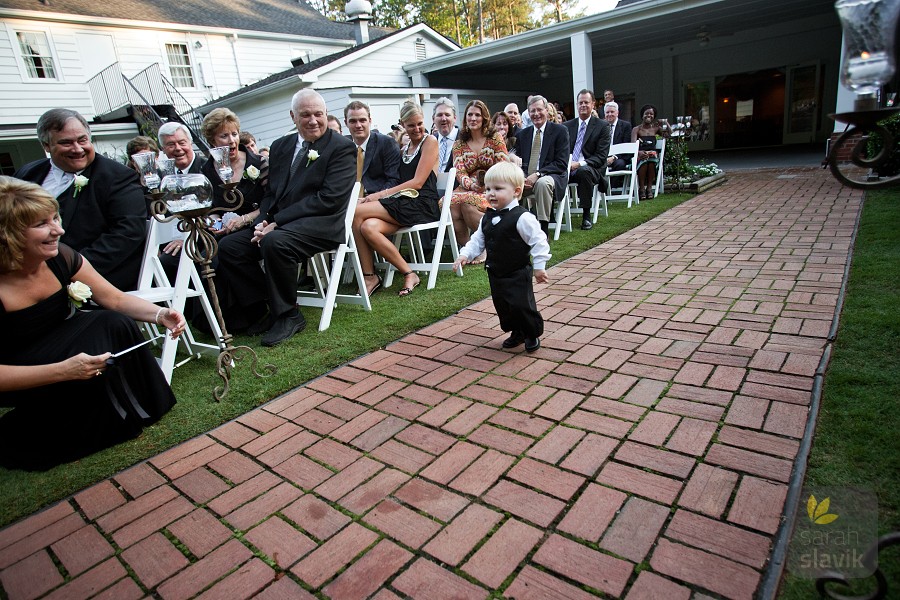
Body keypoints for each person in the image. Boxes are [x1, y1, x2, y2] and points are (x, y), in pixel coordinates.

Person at [0, 177, 186, 469]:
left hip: (62, 344)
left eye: (55, 218)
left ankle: (139, 408)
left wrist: (160, 314)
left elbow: (114, 299)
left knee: (110, 321)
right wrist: (63, 371)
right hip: (20, 370)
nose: (58, 230)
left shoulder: (61, 257)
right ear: (7, 234)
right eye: (41, 225)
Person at [215, 89, 356, 347]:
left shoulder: (341, 148)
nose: (313, 120)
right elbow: (272, 193)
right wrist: (264, 221)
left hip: (321, 222)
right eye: (305, 115)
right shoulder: (281, 146)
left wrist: (277, 222)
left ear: (326, 115)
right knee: (230, 247)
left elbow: (328, 199)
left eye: (318, 114)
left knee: (274, 242)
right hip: (280, 222)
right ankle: (265, 307)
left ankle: (289, 315)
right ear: (293, 116)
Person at [14, 108, 148, 291]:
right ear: (46, 145)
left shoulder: (117, 177)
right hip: (26, 272)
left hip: (95, 275)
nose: (77, 149)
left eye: (82, 140)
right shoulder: (28, 174)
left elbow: (127, 232)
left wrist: (70, 267)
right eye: (66, 143)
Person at [453, 162, 549, 354]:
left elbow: (539, 242)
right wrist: (465, 254)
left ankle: (531, 333)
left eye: (498, 189)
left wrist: (539, 266)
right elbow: (478, 240)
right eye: (488, 189)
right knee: (503, 305)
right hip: (495, 271)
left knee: (521, 304)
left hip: (517, 272)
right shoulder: (487, 218)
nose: (491, 193)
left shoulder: (523, 218)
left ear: (516, 191)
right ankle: (516, 331)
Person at [353, 101, 441, 298]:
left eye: (419, 123)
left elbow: (418, 183)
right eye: (411, 125)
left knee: (356, 211)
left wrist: (379, 195)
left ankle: (369, 276)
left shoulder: (430, 142)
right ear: (403, 124)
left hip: (422, 204)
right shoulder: (404, 148)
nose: (417, 129)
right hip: (404, 204)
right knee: (368, 227)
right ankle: (407, 273)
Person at [449, 100, 509, 258]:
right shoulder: (459, 144)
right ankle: (469, 248)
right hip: (468, 187)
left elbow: (502, 165)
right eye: (470, 114)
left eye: (477, 115)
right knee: (451, 205)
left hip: (493, 186)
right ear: (465, 118)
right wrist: (471, 185)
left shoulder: (495, 138)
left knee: (467, 205)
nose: (473, 118)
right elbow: (459, 171)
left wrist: (486, 184)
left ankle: (489, 245)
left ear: (484, 118)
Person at [514, 95, 569, 237]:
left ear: (546, 110)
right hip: (526, 178)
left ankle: (543, 229)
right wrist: (522, 177)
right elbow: (518, 160)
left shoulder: (560, 131)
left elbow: (561, 163)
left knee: (542, 184)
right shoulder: (523, 135)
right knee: (510, 185)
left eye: (539, 110)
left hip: (551, 176)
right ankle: (514, 227)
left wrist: (538, 174)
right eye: (532, 111)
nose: (536, 114)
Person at [564, 89, 610, 230]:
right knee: (552, 173)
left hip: (591, 168)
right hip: (568, 167)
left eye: (586, 102)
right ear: (577, 105)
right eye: (580, 102)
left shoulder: (602, 126)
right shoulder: (566, 126)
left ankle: (586, 215)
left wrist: (579, 164)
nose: (583, 105)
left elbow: (601, 157)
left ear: (593, 104)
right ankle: (552, 216)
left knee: (583, 171)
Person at [344, 100, 401, 197]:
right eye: (353, 121)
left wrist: (374, 198)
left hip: (379, 199)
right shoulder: (343, 146)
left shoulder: (386, 143)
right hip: (348, 201)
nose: (358, 125)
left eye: (362, 120)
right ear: (346, 123)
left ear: (370, 120)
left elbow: (394, 180)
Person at [631, 103, 670, 200]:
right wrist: (639, 152)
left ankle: (649, 188)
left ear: (654, 116)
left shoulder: (656, 128)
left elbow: (669, 135)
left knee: (652, 160)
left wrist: (665, 124)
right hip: (640, 155)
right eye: (646, 113)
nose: (649, 116)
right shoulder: (636, 129)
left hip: (652, 156)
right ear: (642, 115)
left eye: (651, 114)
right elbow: (632, 145)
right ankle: (641, 189)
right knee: (644, 161)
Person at [604, 101, 633, 172]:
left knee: (619, 164)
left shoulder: (625, 126)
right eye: (607, 112)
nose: (609, 114)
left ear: (617, 113)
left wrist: (614, 157)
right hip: (604, 157)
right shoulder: (601, 127)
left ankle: (614, 184)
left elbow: (626, 146)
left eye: (612, 112)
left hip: (619, 157)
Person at [433, 97, 459, 172]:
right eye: (440, 115)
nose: (443, 119)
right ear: (433, 119)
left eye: (447, 115)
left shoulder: (465, 138)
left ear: (454, 118)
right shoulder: (430, 142)